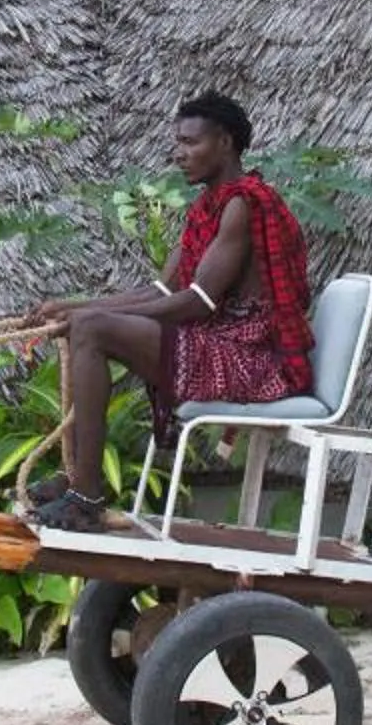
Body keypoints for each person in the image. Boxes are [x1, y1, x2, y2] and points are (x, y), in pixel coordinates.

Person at [20, 91, 314, 531]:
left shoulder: (243, 204)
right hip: (224, 350)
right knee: (88, 325)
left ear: (226, 143)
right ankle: (79, 481)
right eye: (177, 142)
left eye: (191, 142)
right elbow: (160, 288)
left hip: (252, 363)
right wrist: (72, 307)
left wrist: (91, 319)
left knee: (92, 330)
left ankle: (84, 494)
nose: (179, 153)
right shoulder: (208, 207)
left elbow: (199, 301)